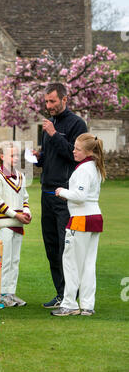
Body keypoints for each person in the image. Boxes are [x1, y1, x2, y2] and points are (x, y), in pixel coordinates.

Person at [33, 83, 87, 308]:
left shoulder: (77, 124)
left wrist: (54, 135)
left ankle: (71, 295)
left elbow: (73, 156)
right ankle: (60, 293)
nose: (49, 106)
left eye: (52, 101)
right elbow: (50, 157)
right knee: (52, 247)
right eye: (46, 102)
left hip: (64, 194)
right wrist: (39, 157)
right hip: (46, 192)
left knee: (67, 248)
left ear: (65, 99)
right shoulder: (49, 124)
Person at [52, 133, 106, 316]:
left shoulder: (84, 169)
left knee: (71, 262)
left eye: (77, 149)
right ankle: (87, 305)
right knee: (88, 263)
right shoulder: (94, 167)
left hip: (81, 218)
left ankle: (69, 304)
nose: (73, 151)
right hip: (94, 217)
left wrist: (62, 191)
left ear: (89, 151)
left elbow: (80, 196)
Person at [0, 141, 32, 307]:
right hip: (5, 223)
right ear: (2, 157)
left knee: (15, 260)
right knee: (5, 259)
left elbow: (25, 199)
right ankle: (2, 294)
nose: (15, 158)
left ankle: (11, 293)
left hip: (19, 225)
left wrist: (27, 213)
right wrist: (16, 215)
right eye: (11, 155)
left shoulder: (21, 176)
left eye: (17, 155)